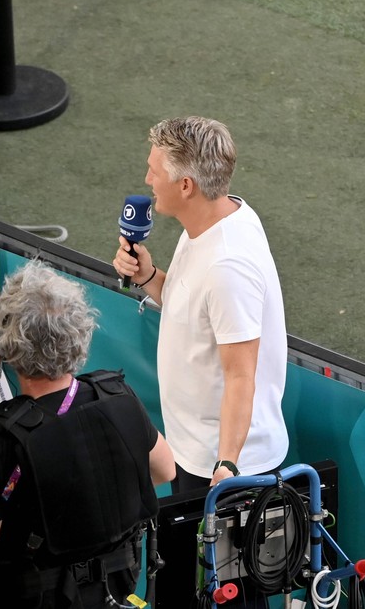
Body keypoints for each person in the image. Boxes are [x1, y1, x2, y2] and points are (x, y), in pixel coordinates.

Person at [0, 260, 175, 608]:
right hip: (116, 594)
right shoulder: (120, 398)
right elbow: (164, 470)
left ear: (8, 344)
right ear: (80, 329)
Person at [113, 116, 289, 494]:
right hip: (192, 449)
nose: (148, 180)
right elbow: (194, 307)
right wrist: (149, 276)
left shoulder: (228, 266)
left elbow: (242, 376)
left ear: (186, 186)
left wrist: (226, 466)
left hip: (224, 469)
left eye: (155, 171)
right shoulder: (212, 220)